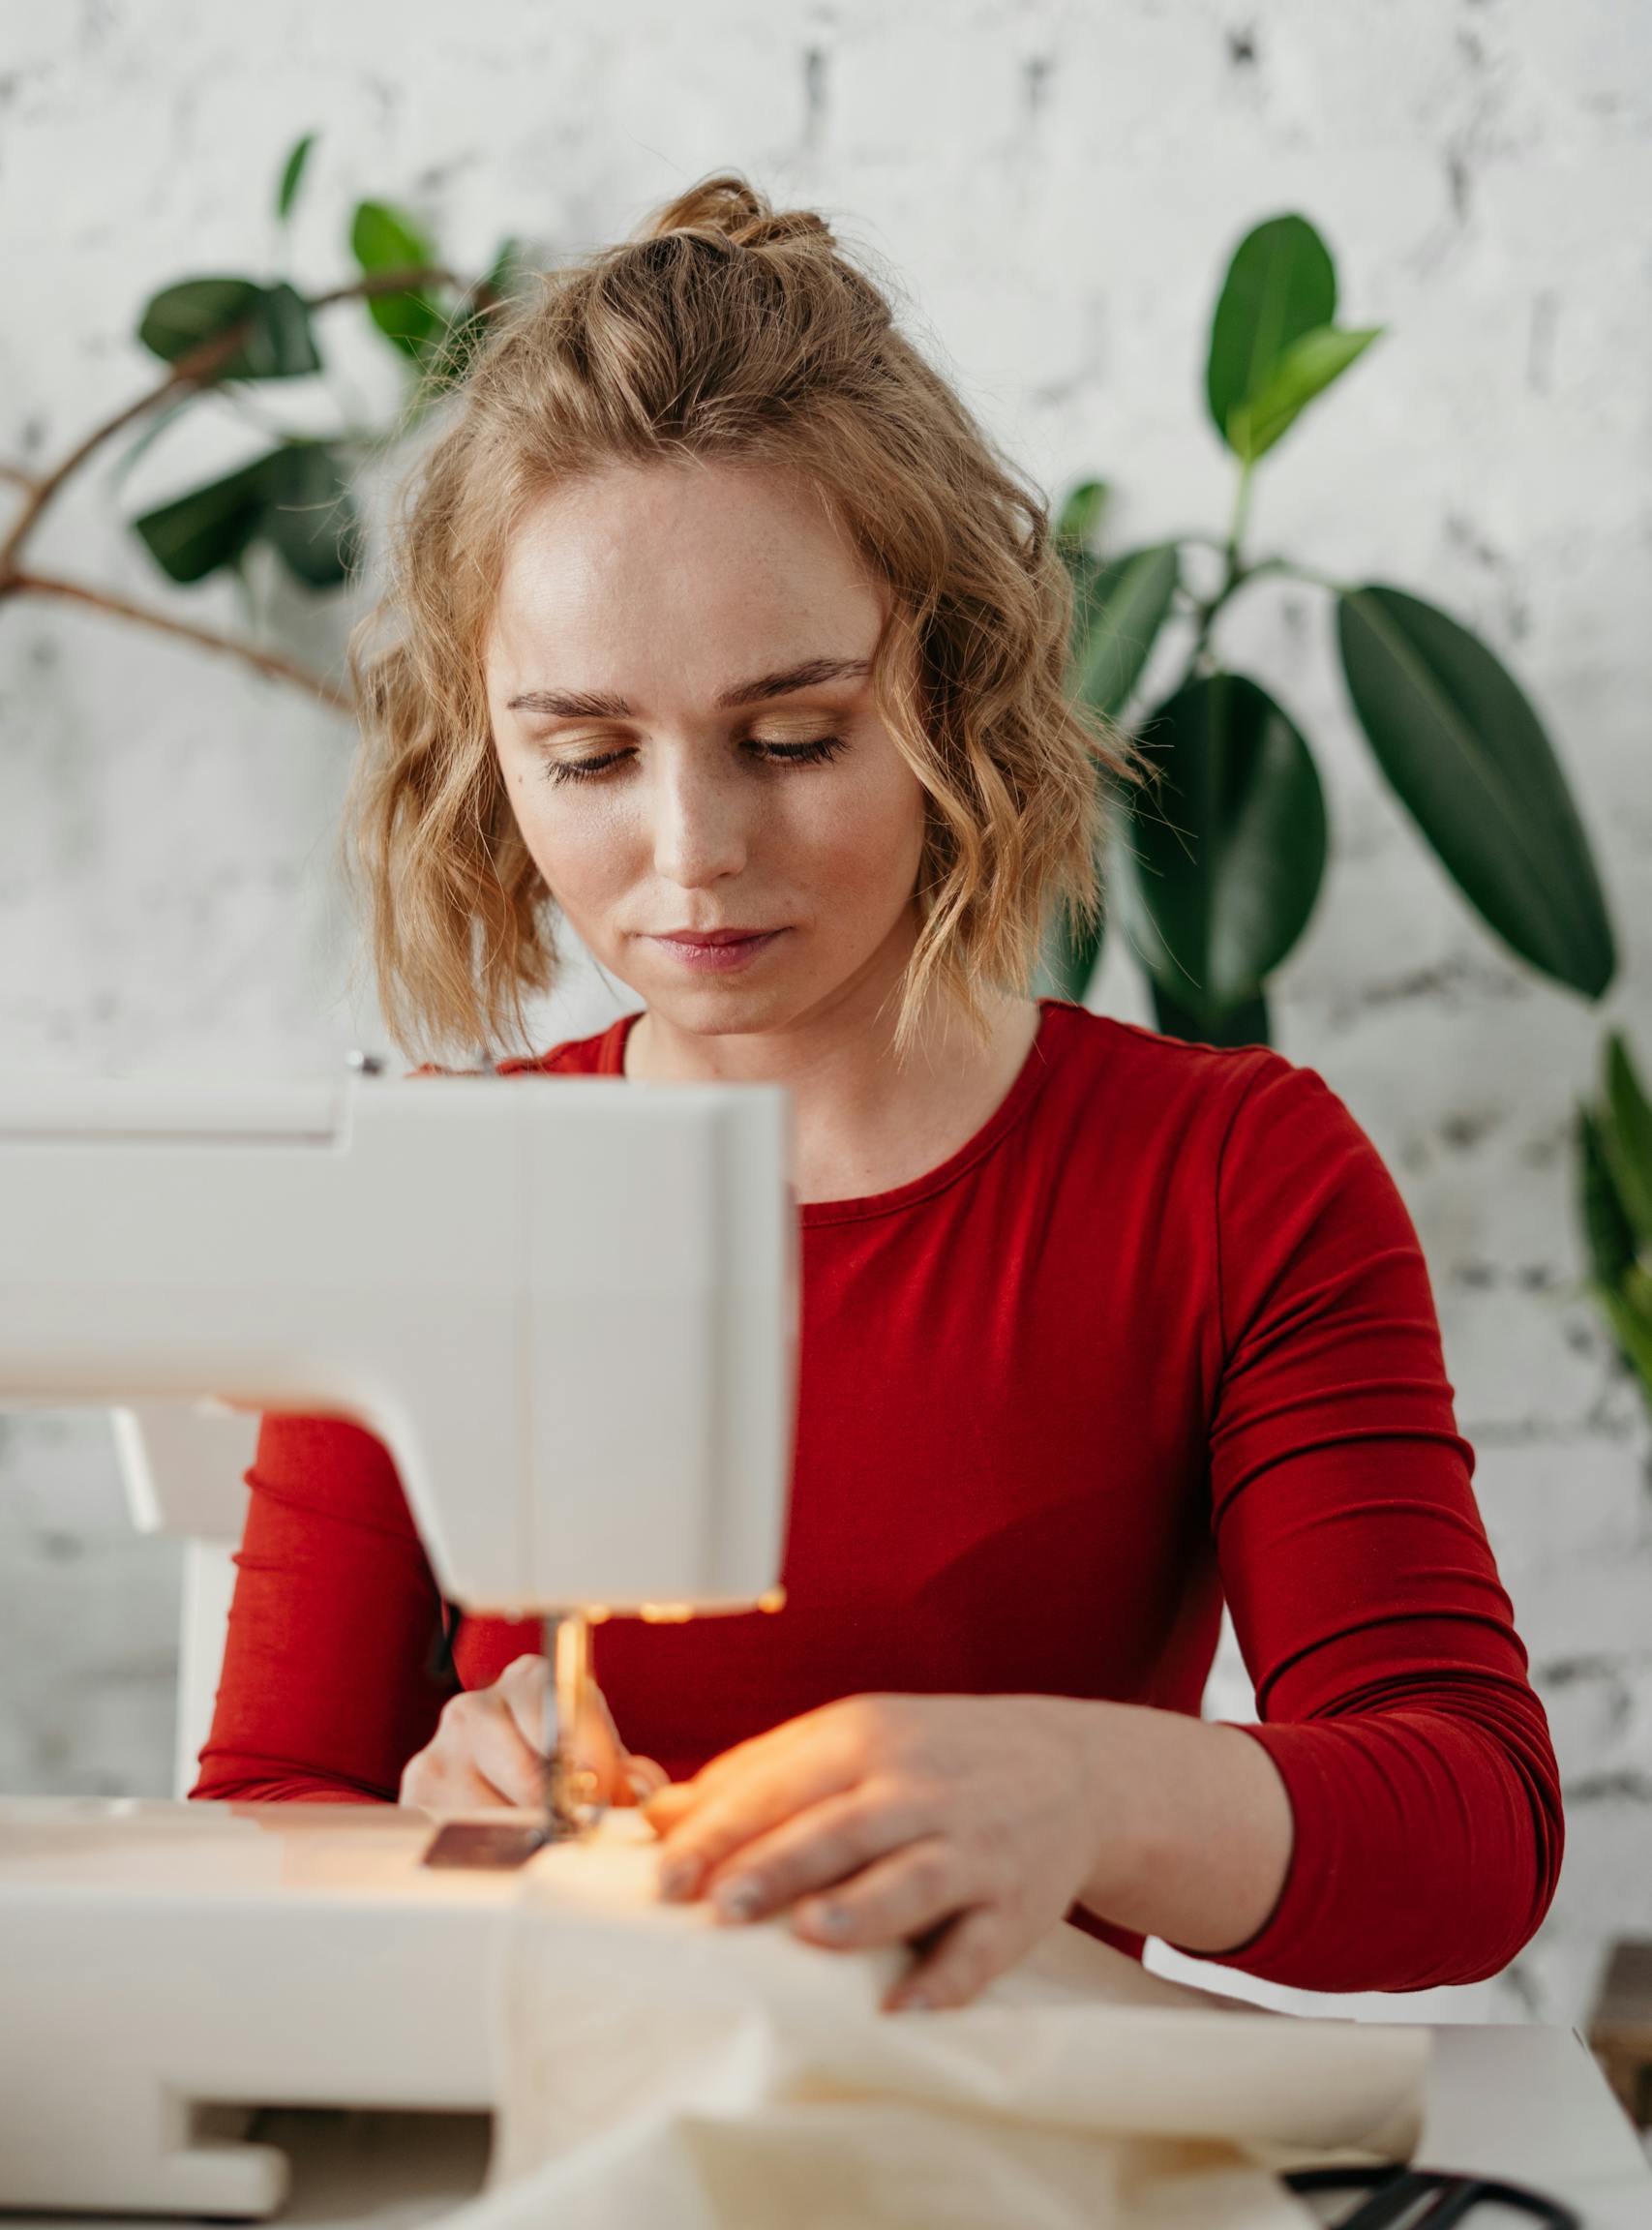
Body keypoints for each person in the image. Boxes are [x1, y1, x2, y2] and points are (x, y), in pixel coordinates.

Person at [194, 171, 1562, 2012]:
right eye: (588, 755)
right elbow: (268, 1818)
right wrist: (420, 1835)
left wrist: (1074, 1792)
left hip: (1013, 2170)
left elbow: (1470, 1834)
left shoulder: (1231, 1178)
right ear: (482, 754)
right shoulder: (431, 1195)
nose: (693, 854)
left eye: (792, 739)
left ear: (956, 688)